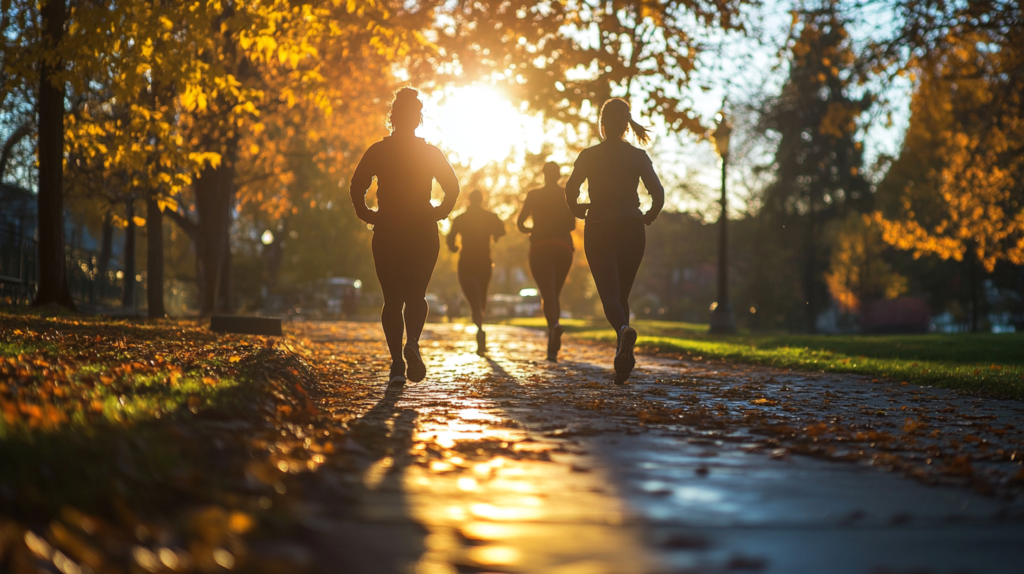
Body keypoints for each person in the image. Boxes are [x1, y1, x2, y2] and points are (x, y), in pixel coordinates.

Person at [350, 88, 460, 384]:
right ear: (417, 119)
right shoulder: (430, 152)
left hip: (388, 229)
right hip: (422, 229)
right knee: (417, 295)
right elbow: (452, 187)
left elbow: (357, 185)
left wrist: (368, 214)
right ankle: (412, 342)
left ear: (393, 118)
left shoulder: (378, 151)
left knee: (392, 300)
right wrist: (439, 212)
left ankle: (397, 365)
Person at [565, 98, 664, 384]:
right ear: (626, 126)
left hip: (600, 227)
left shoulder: (589, 155)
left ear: (602, 124)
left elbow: (571, 189)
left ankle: (623, 331)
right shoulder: (638, 156)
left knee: (609, 295)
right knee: (621, 297)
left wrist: (577, 209)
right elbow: (658, 194)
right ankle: (623, 360)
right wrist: (648, 217)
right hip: (632, 229)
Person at [517, 161, 575, 361]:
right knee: (555, 293)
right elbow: (572, 224)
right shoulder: (566, 194)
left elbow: (520, 223)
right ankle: (553, 334)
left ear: (543, 175)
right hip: (563, 248)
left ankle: (554, 327)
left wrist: (533, 230)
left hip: (540, 247)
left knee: (548, 294)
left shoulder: (534, 195)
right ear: (558, 175)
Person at [447, 190, 505, 354]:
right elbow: (501, 230)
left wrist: (454, 247)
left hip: (466, 261)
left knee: (473, 297)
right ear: (481, 200)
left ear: (469, 200)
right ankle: (480, 324)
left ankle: (479, 324)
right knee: (481, 295)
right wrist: (495, 235)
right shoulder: (490, 217)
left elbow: (450, 238)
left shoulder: (461, 218)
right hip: (484, 262)